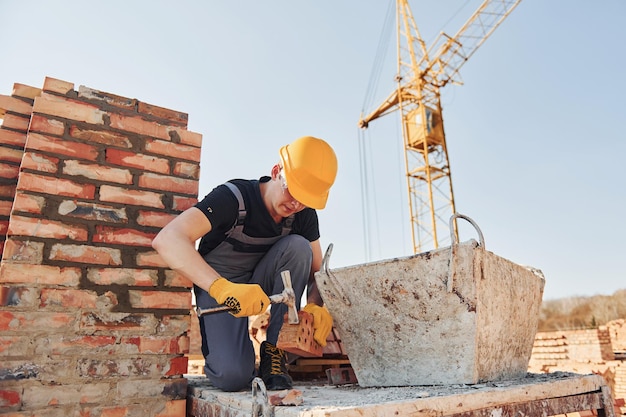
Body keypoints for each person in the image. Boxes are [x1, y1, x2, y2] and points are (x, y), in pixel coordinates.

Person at [152, 136, 338, 392]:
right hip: (222, 284)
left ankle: (274, 354)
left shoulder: (302, 214)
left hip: (262, 281)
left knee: (299, 246)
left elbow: (317, 271)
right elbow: (168, 239)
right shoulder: (232, 198)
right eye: (293, 191)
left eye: (305, 199)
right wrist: (221, 289)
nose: (296, 204)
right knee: (232, 377)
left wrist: (316, 305)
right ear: (276, 172)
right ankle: (240, 359)